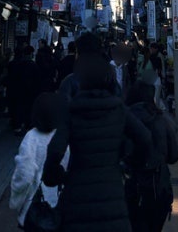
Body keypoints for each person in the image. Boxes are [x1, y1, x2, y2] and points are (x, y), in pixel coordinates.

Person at [43, 54, 152, 232]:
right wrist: (132, 163)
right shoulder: (118, 109)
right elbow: (145, 138)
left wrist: (54, 177)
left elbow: (55, 150)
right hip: (113, 196)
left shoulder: (71, 111)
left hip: (76, 198)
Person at [125, 74, 178, 232]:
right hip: (158, 185)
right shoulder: (161, 119)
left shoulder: (123, 119)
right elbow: (174, 155)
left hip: (130, 186)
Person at [10, 92, 69, 229]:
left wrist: (16, 200)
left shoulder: (31, 137)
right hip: (63, 202)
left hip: (35, 205)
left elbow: (25, 174)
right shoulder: (64, 135)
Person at [9, 45, 42, 133]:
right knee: (28, 108)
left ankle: (17, 126)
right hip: (30, 91)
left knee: (18, 107)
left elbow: (12, 77)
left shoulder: (17, 64)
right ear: (31, 54)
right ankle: (27, 125)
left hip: (18, 89)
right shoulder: (33, 65)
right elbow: (37, 79)